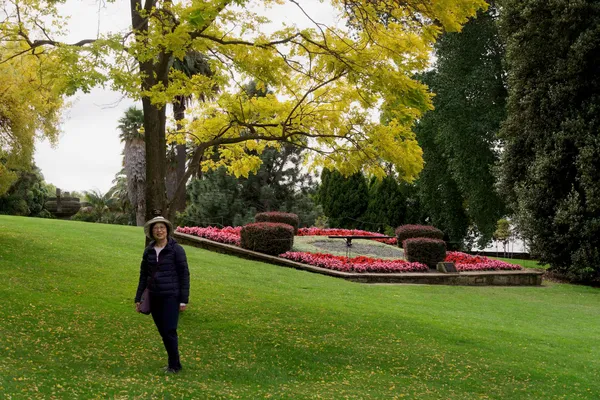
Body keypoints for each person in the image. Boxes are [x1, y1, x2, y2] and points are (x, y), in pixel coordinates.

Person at [134, 216, 190, 374]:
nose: (159, 230)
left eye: (162, 227)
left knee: (169, 330)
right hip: (154, 296)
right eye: (156, 228)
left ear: (167, 230)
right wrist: (138, 298)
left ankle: (175, 365)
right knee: (163, 331)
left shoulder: (176, 250)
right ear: (152, 231)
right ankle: (173, 363)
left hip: (171, 296)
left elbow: (184, 275)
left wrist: (183, 300)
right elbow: (143, 276)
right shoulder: (149, 251)